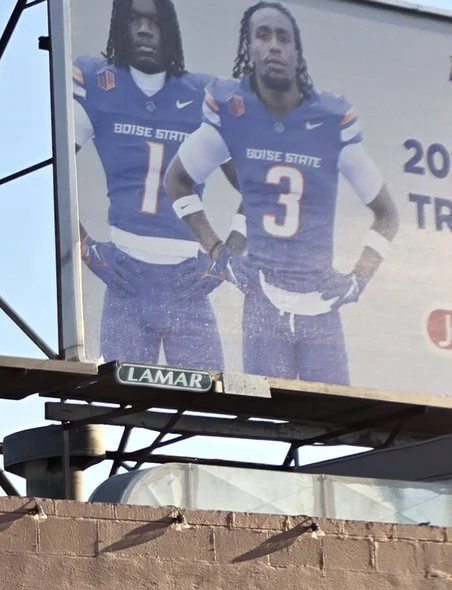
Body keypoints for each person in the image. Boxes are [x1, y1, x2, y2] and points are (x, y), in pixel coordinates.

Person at [164, 1, 398, 385]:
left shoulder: (328, 117)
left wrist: (359, 278)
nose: (273, 45)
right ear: (249, 48)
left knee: (334, 419)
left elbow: (387, 213)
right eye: (263, 35)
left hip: (322, 307)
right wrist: (217, 252)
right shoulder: (232, 109)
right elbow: (177, 180)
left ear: (295, 51)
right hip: (263, 304)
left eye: (282, 37)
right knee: (269, 420)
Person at [71, 0, 222, 371]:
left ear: (169, 28)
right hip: (126, 278)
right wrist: (85, 247)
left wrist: (225, 258)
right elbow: (50, 169)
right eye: (133, 19)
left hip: (189, 280)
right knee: (119, 409)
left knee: (210, 405)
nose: (143, 29)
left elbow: (257, 190)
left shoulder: (204, 94)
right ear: (119, 27)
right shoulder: (97, 81)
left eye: (154, 21)